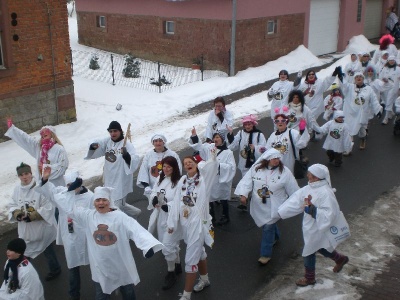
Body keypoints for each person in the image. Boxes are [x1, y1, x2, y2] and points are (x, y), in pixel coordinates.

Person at [42, 176, 163, 300]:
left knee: (127, 292)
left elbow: (136, 230)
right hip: (100, 267)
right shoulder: (88, 216)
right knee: (101, 295)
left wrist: (148, 246)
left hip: (120, 264)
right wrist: (69, 191)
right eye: (97, 200)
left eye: (104, 200)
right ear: (94, 202)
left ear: (109, 201)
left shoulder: (119, 217)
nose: (100, 203)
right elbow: (68, 208)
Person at [278, 164, 349, 287]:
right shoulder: (309, 188)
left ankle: (309, 278)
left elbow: (330, 214)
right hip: (310, 225)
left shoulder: (325, 193)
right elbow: (296, 200)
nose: (307, 175)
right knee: (320, 246)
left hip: (319, 227)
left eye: (310, 173)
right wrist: (279, 212)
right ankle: (340, 259)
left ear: (317, 177)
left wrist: (313, 210)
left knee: (309, 250)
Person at [167, 152, 219, 300]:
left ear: (196, 165)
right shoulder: (183, 180)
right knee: (200, 252)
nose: (188, 164)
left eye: (191, 162)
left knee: (190, 259)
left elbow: (212, 168)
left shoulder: (203, 180)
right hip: (185, 223)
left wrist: (213, 159)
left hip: (198, 223)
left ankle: (186, 295)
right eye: (186, 163)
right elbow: (176, 202)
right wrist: (172, 223)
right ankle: (204, 279)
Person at [234, 149, 299, 265]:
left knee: (268, 227)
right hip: (259, 205)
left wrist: (297, 202)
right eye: (274, 158)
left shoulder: (284, 172)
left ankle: (265, 254)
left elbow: (293, 189)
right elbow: (247, 181)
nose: (277, 161)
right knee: (267, 224)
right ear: (268, 159)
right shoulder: (257, 168)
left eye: (278, 158)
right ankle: (275, 236)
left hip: (275, 205)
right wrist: (243, 193)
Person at [37, 169, 93, 300]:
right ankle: (74, 295)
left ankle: (103, 289)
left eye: (73, 185)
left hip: (86, 237)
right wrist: (45, 179)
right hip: (71, 238)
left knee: (96, 265)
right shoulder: (62, 194)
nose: (71, 188)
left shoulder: (90, 197)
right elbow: (49, 191)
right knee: (73, 267)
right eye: (68, 185)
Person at [7, 163, 61, 282]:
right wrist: (17, 214)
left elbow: (49, 206)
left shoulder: (40, 187)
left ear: (31, 174)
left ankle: (55, 269)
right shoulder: (17, 189)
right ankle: (23, 275)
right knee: (25, 251)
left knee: (47, 249)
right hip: (26, 229)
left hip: (41, 228)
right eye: (21, 175)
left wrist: (33, 216)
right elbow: (12, 204)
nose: (24, 177)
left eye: (26, 173)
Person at [85, 121, 141, 218]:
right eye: (110, 131)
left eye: (115, 131)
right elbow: (97, 144)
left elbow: (135, 159)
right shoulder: (108, 142)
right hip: (109, 178)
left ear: (120, 131)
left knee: (114, 207)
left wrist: (126, 156)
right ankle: (135, 212)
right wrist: (93, 146)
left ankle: (121, 225)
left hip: (120, 180)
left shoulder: (126, 144)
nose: (113, 134)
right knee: (116, 202)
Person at [146, 156, 183, 290]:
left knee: (167, 245)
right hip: (161, 216)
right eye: (164, 166)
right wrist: (154, 199)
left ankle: (171, 272)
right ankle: (178, 264)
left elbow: (182, 200)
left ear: (174, 168)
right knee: (169, 243)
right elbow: (154, 191)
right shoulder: (160, 178)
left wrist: (170, 206)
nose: (166, 169)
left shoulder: (179, 182)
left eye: (169, 167)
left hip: (172, 218)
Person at [189, 127, 236, 226]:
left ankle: (225, 216)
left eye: (218, 137)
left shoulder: (228, 153)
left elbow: (231, 167)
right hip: (210, 178)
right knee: (209, 197)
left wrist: (218, 166)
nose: (216, 139)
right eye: (215, 137)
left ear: (222, 139)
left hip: (221, 179)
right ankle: (212, 216)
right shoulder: (210, 148)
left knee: (223, 198)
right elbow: (199, 147)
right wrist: (194, 136)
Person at [5, 120, 69, 187]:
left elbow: (63, 166)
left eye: (46, 135)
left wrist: (46, 169)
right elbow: (26, 139)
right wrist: (13, 129)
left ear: (52, 134)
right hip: (42, 185)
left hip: (57, 185)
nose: (43, 137)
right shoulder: (39, 148)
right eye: (42, 136)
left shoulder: (59, 149)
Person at [340, 71, 383, 150]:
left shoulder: (368, 89)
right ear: (354, 80)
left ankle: (362, 139)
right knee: (349, 129)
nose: (358, 78)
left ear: (363, 79)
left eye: (360, 77)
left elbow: (374, 100)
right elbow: (344, 85)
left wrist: (378, 110)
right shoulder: (350, 87)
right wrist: (341, 77)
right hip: (351, 114)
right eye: (356, 77)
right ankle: (348, 147)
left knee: (362, 130)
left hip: (362, 114)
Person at [378, 56, 400, 124]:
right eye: (390, 60)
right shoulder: (385, 68)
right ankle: (391, 113)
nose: (392, 62)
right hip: (385, 88)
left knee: (388, 102)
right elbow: (380, 77)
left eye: (393, 60)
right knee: (386, 101)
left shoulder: (398, 69)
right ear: (388, 61)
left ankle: (386, 118)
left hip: (393, 88)